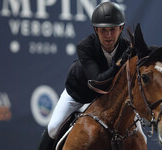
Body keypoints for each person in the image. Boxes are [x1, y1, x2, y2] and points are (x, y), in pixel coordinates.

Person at [38, 2, 131, 150]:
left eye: (113, 30)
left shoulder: (127, 47)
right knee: (53, 127)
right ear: (95, 29)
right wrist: (119, 64)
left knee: (139, 134)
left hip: (108, 100)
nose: (108, 35)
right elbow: (98, 81)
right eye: (103, 30)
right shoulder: (85, 47)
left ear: (121, 28)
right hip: (79, 95)